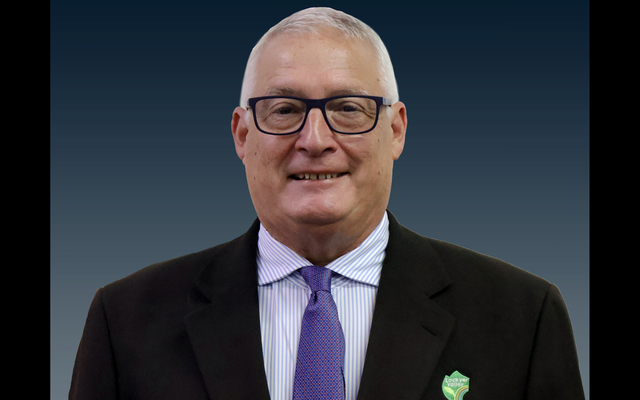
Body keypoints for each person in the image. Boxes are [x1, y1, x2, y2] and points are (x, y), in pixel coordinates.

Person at [69, 7, 585, 400]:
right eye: (284, 109)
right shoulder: (126, 321)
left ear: (396, 130)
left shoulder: (522, 317)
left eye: (348, 108)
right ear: (242, 134)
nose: (314, 140)